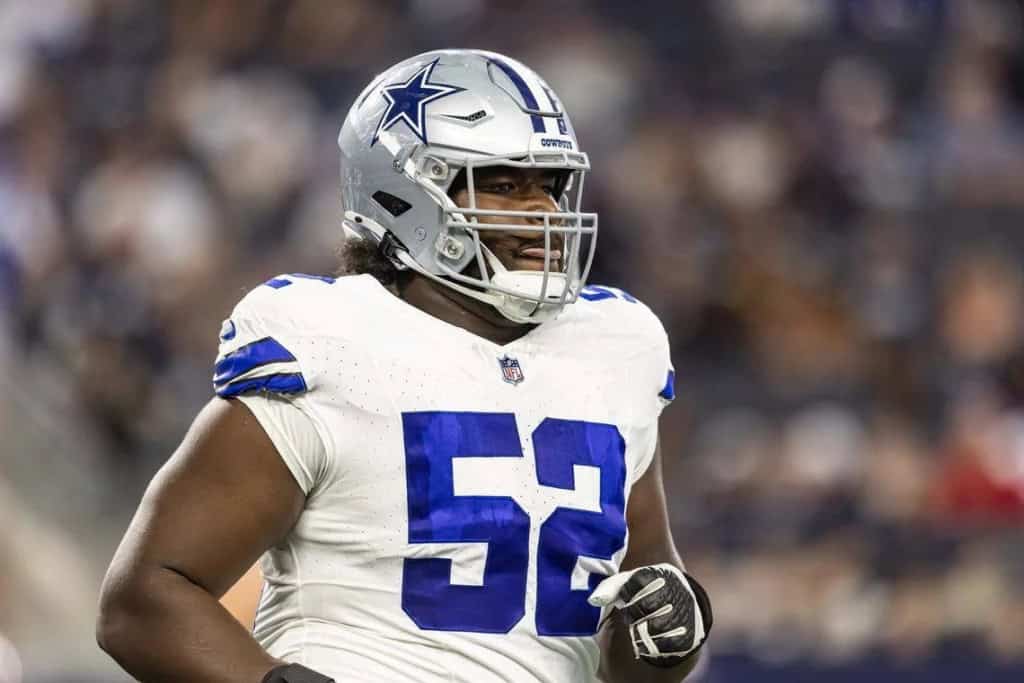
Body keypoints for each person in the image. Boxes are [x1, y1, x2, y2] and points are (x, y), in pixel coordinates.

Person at [96, 49, 712, 683]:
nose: (544, 213)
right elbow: (144, 599)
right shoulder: (330, 342)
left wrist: (676, 627)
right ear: (405, 193)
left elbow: (638, 634)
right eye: (503, 185)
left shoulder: (613, 345)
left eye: (549, 186)